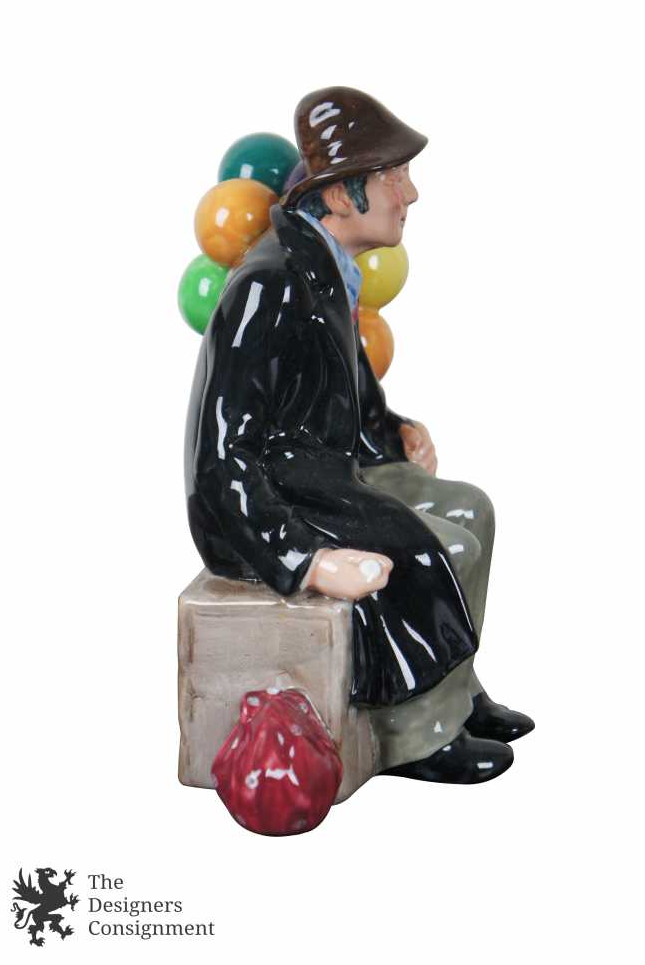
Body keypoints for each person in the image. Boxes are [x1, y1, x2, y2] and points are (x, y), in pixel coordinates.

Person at [185, 86, 533, 784]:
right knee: (441, 545)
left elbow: (337, 383)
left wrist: (390, 430)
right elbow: (221, 460)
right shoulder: (269, 284)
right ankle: (417, 733)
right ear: (341, 194)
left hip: (326, 468)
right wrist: (307, 560)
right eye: (393, 175)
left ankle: (455, 692)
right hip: (272, 500)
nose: (410, 193)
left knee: (473, 511)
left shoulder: (324, 264)